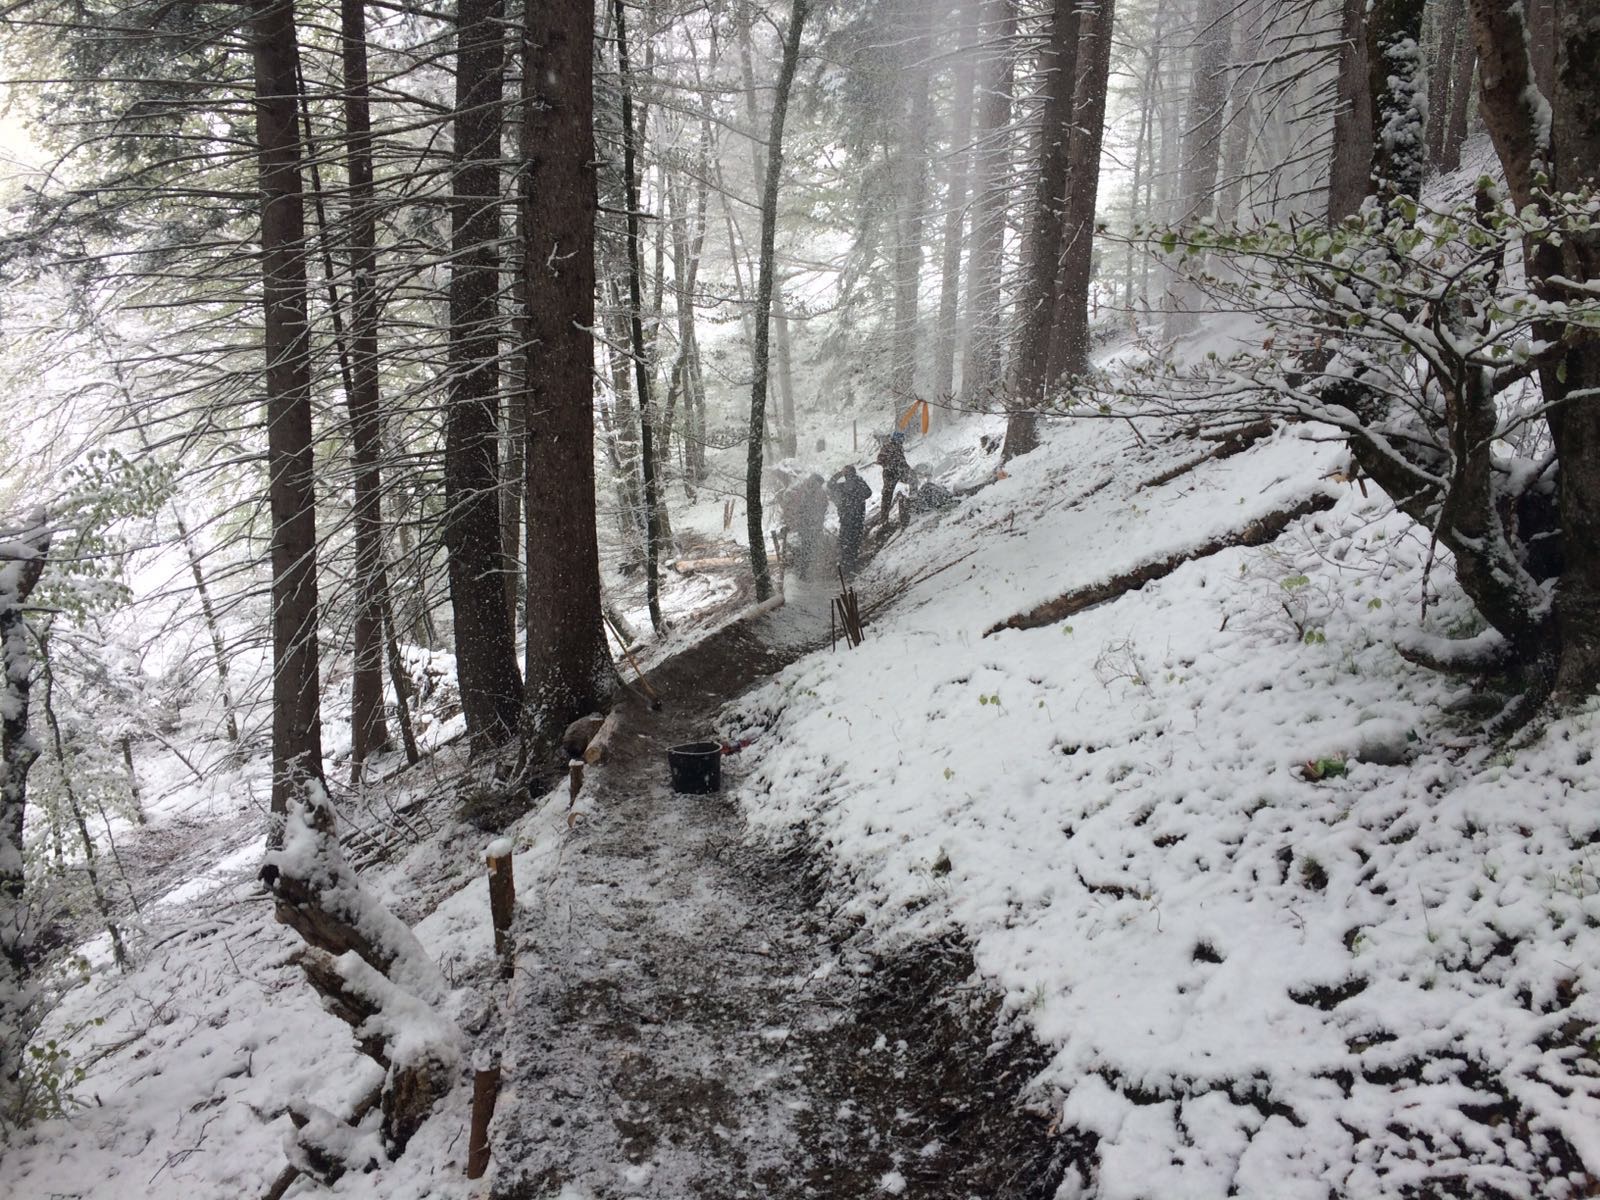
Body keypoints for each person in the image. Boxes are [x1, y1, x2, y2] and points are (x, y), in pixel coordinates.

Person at [827, 464, 872, 576]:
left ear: (846, 473)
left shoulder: (844, 485)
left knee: (845, 543)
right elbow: (868, 493)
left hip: (847, 519)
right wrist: (858, 499)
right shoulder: (859, 482)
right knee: (854, 542)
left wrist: (838, 474)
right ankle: (852, 567)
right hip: (858, 518)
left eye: (844, 472)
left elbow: (830, 485)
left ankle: (846, 569)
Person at [875, 430, 910, 532]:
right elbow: (880, 460)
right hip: (890, 474)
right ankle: (884, 520)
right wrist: (890, 465)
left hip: (897, 472)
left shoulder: (897, 448)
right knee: (887, 495)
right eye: (901, 439)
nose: (902, 441)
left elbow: (902, 462)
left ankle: (885, 517)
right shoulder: (888, 447)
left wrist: (908, 470)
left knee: (890, 494)